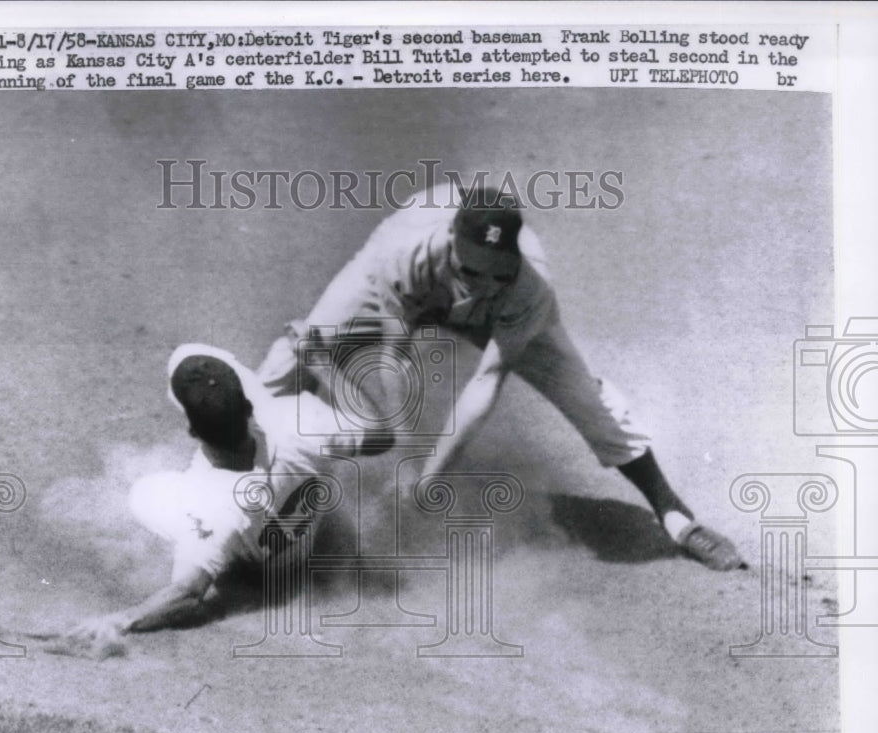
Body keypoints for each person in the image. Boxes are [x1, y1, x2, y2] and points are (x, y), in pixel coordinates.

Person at [257, 183, 745, 571]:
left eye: (499, 273)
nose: (486, 284)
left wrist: (432, 477)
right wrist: (409, 461)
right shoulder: (402, 250)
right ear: (451, 241)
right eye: (476, 271)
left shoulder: (528, 287)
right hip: (412, 283)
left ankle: (675, 515)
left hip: (503, 313)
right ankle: (241, 460)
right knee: (305, 346)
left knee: (589, 402)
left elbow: (487, 379)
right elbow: (397, 356)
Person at [46, 343, 388, 655]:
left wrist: (122, 620)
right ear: (248, 406)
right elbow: (380, 434)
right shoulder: (297, 420)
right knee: (289, 354)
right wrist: (322, 362)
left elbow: (187, 593)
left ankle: (249, 590)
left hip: (270, 579)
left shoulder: (208, 504)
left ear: (193, 432)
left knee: (145, 494)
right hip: (322, 537)